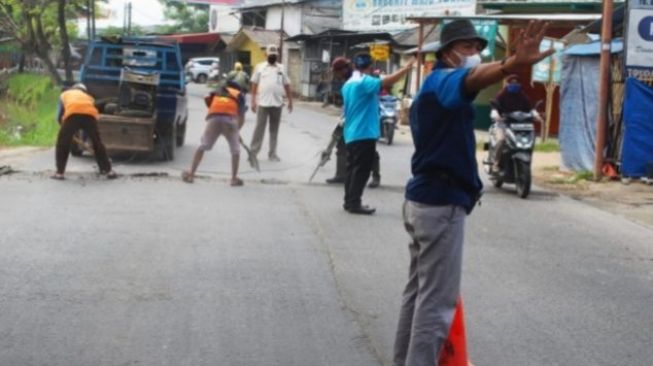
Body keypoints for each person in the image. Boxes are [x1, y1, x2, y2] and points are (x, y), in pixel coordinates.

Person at [393, 20, 553, 366]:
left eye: (477, 48)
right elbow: (470, 80)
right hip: (439, 204)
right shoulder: (443, 80)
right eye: (467, 47)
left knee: (419, 293)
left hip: (425, 200)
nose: (475, 54)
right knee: (436, 304)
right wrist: (512, 64)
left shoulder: (434, 86)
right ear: (448, 51)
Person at [341, 53, 415, 215]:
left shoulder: (348, 84)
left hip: (351, 132)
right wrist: (405, 69)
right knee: (362, 170)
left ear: (355, 66)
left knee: (352, 169)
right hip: (364, 132)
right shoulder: (365, 82)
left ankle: (349, 201)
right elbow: (387, 81)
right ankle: (354, 203)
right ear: (370, 67)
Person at [326, 57, 381, 188]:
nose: (337, 76)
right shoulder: (347, 81)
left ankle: (375, 176)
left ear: (345, 69)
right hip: (349, 119)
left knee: (369, 151)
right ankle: (341, 174)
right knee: (341, 145)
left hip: (364, 120)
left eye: (338, 72)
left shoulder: (363, 78)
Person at [182, 81, 246, 186]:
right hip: (230, 120)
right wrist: (237, 133)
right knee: (235, 150)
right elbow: (241, 117)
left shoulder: (217, 91)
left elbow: (209, 102)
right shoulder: (239, 95)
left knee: (202, 146)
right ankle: (234, 179)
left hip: (214, 118)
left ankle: (191, 175)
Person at [52, 83, 116, 180]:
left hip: (72, 114)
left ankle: (59, 173)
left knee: (62, 143)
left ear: (73, 88)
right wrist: (86, 138)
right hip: (90, 117)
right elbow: (87, 121)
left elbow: (59, 115)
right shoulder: (88, 97)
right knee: (97, 142)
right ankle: (108, 170)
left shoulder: (64, 94)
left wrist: (64, 129)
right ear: (84, 91)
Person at [249, 44, 293, 162]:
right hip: (263, 103)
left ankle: (272, 154)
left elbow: (287, 85)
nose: (273, 57)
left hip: (277, 104)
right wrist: (253, 101)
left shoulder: (281, 68)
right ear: (266, 55)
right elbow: (254, 84)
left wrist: (290, 101)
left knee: (274, 130)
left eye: (274, 55)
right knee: (259, 129)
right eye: (271, 55)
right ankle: (253, 153)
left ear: (277, 56)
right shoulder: (260, 67)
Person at [490, 75, 541, 171]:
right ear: (507, 84)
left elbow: (530, 108)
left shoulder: (522, 96)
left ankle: (526, 164)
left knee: (529, 141)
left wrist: (536, 115)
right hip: (503, 124)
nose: (514, 85)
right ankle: (495, 163)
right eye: (512, 83)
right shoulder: (502, 94)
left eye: (516, 83)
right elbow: (495, 106)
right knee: (501, 140)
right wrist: (495, 113)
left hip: (518, 125)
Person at [227, 62, 250, 129]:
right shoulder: (244, 74)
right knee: (243, 100)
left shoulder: (231, 73)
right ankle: (242, 108)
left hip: (233, 91)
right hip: (242, 90)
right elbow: (248, 80)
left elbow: (227, 80)